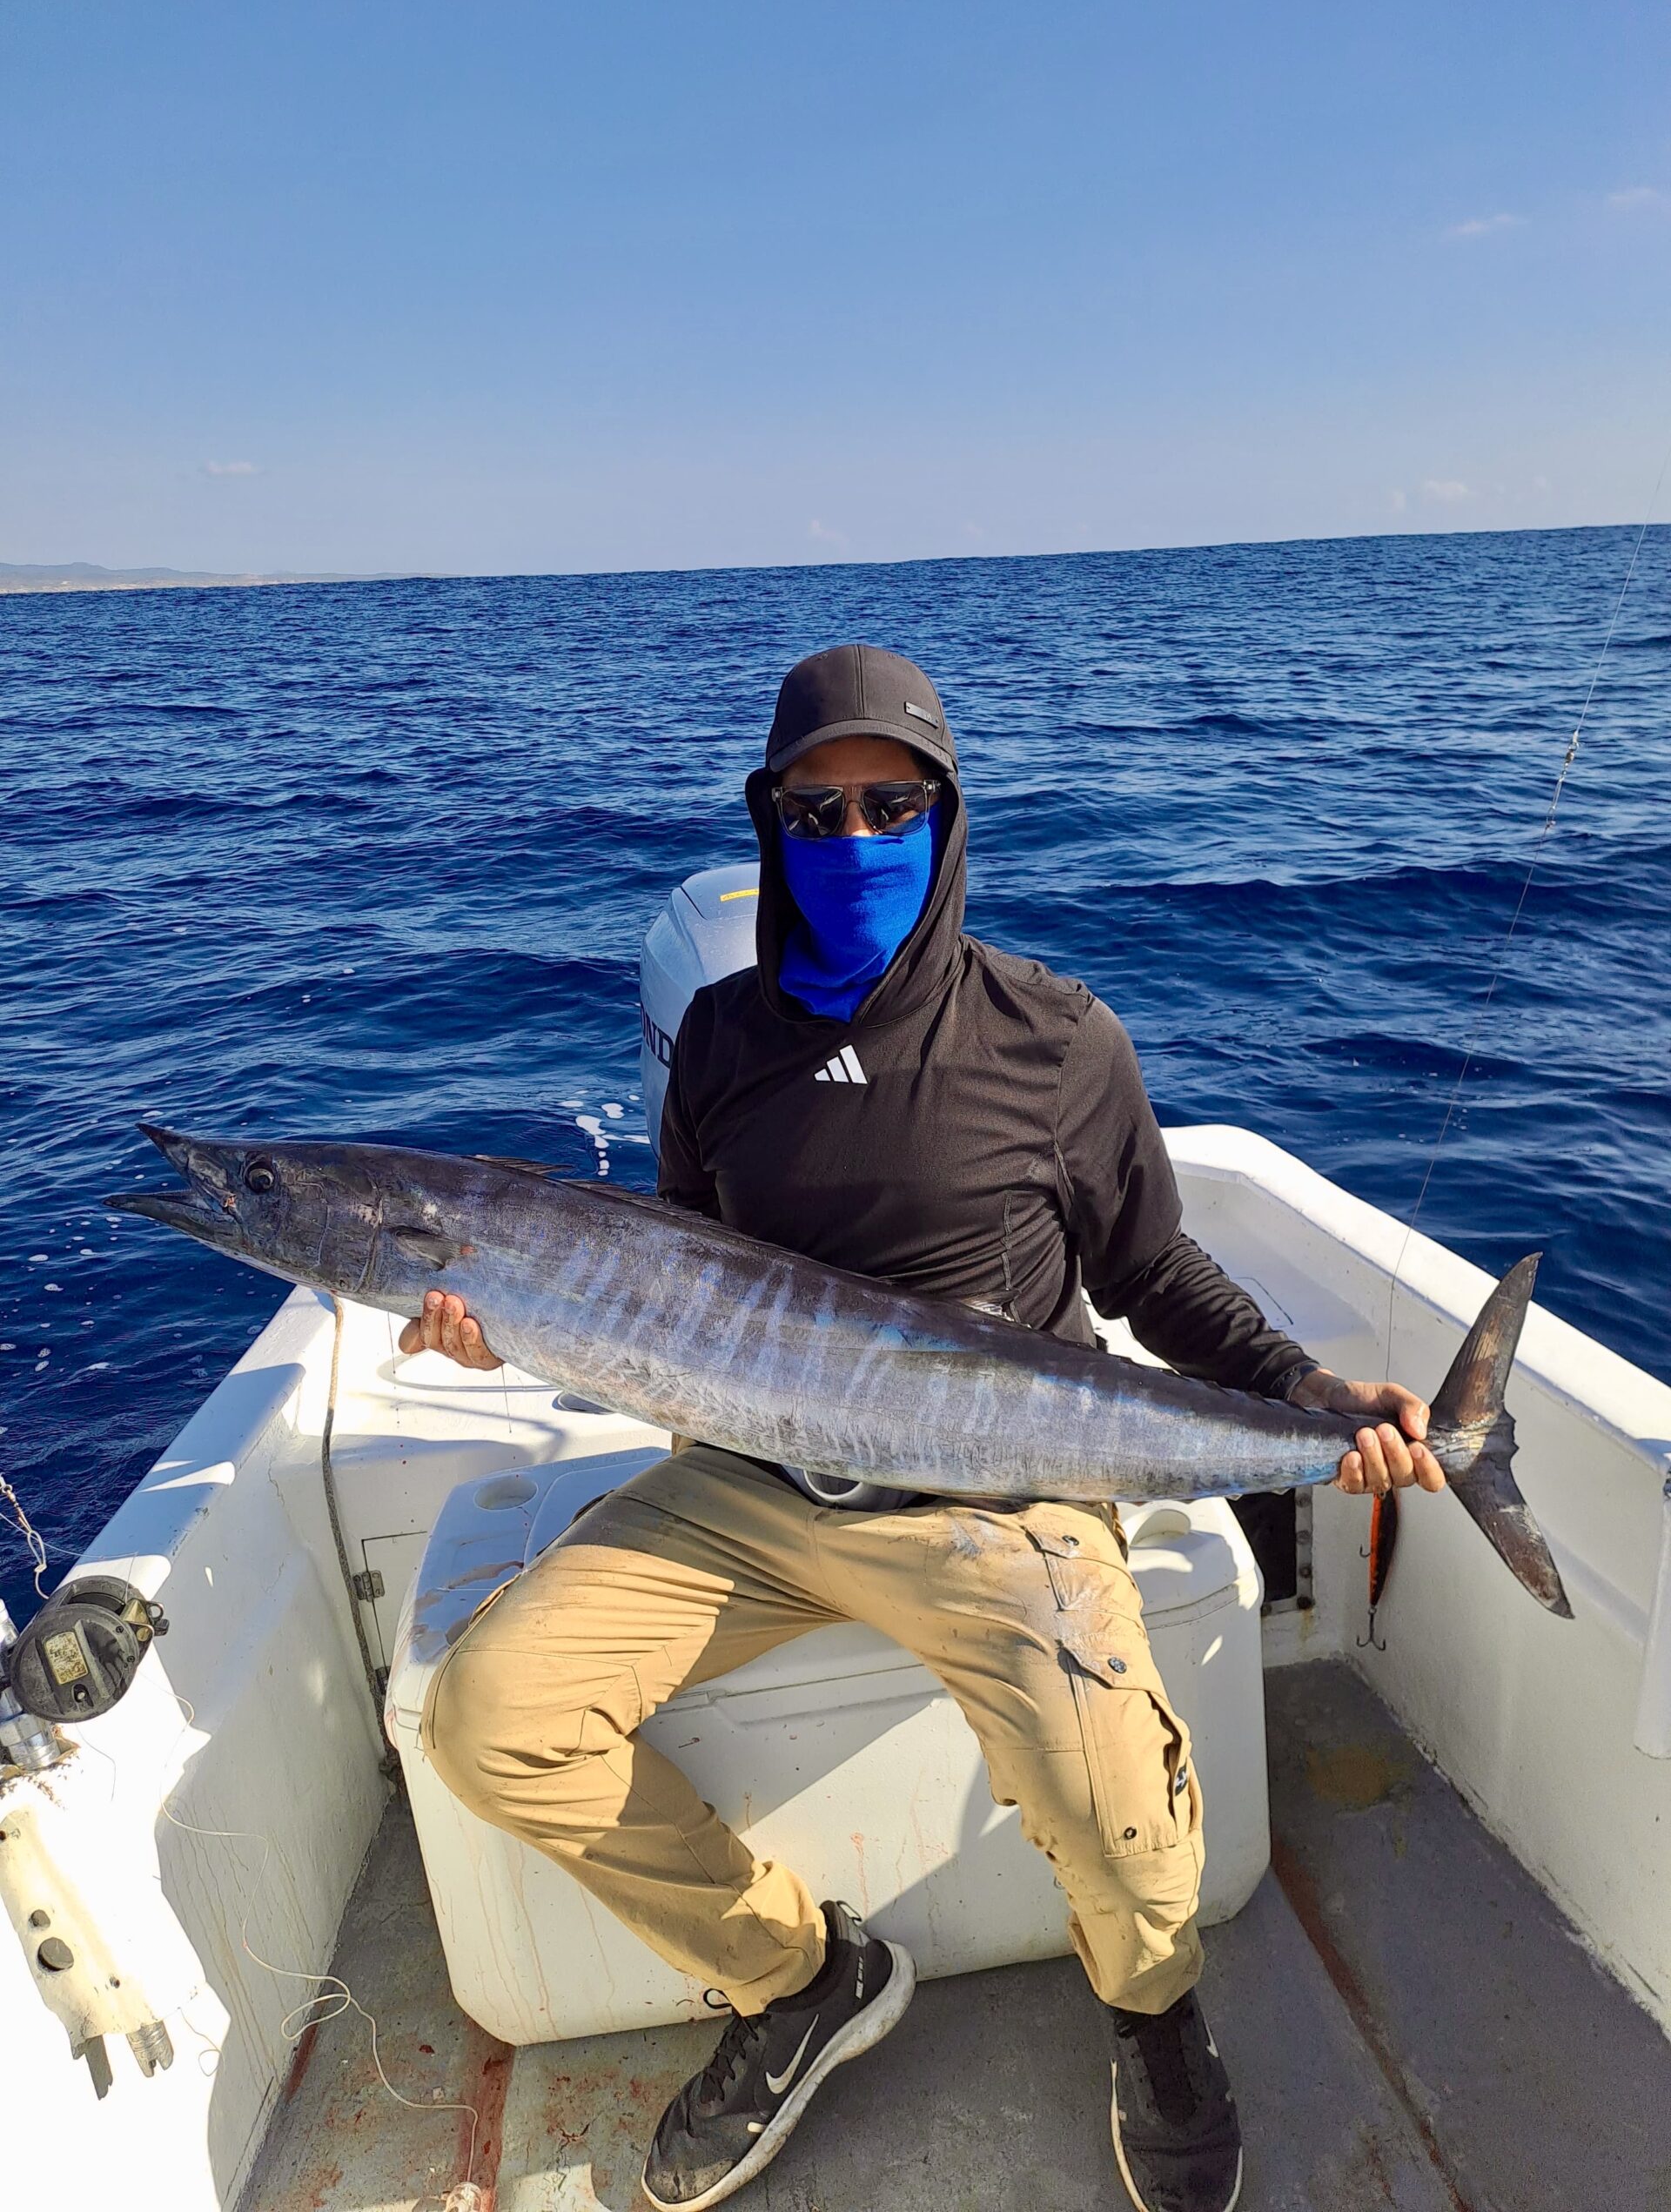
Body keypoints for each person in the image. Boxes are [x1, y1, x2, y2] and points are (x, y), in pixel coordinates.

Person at [404, 645, 1444, 2212]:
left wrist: (1305, 1394)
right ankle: (801, 1976)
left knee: (1114, 1809)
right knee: (488, 1718)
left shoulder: (1055, 1037)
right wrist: (517, 1325)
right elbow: (680, 1280)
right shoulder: (721, 1043)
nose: (853, 839)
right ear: (767, 826)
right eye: (814, 813)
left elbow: (1151, 1265)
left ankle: (1154, 2019)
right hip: (748, 1488)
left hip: (996, 1488)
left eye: (890, 803)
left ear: (948, 817)